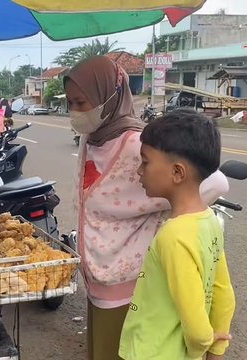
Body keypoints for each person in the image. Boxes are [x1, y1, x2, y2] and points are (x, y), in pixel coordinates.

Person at [63, 56, 229, 360]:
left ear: (109, 96)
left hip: (129, 283)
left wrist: (175, 211)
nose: (75, 111)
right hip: (98, 277)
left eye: (82, 102)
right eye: (70, 102)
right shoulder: (93, 137)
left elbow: (212, 182)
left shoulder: (137, 144)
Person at [119, 109, 235, 360]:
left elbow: (196, 326)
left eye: (146, 161)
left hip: (153, 352)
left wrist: (199, 349)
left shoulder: (173, 236)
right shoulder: (210, 221)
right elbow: (223, 293)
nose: (139, 170)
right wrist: (216, 350)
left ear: (177, 173)